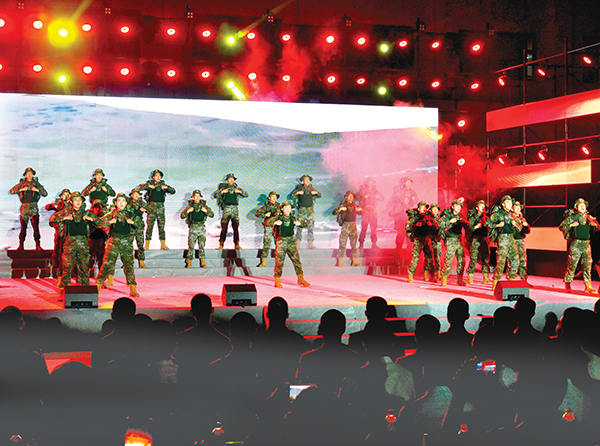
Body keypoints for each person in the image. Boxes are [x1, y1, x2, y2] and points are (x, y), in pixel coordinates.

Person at [96, 193, 140, 297]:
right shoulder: (111, 214)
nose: (121, 203)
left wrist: (132, 222)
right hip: (113, 241)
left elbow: (140, 224)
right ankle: (97, 287)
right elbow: (98, 223)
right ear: (115, 203)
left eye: (123, 201)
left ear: (126, 203)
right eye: (119, 201)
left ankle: (133, 289)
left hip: (126, 241)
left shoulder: (130, 214)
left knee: (129, 266)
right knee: (107, 264)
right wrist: (109, 222)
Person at [54, 192, 101, 288]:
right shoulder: (66, 212)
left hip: (83, 241)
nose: (78, 202)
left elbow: (100, 222)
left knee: (84, 265)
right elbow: (52, 220)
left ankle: (84, 286)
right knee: (67, 265)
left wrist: (90, 219)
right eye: (75, 200)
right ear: (71, 202)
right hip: (70, 241)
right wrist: (64, 218)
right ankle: (64, 286)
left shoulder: (86, 213)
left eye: (79, 200)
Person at [267, 200, 310, 288]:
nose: (288, 209)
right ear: (282, 209)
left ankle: (300, 279)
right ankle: (277, 280)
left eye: (289, 208)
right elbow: (266, 222)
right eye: (286, 207)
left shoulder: (293, 218)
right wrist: (274, 223)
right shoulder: (278, 218)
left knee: (296, 260)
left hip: (291, 241)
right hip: (281, 241)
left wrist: (300, 223)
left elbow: (305, 224)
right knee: (279, 262)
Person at [560, 198, 599, 293]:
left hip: (586, 243)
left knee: (587, 264)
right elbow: (561, 226)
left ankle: (588, 285)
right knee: (572, 263)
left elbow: (598, 227)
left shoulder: (589, 218)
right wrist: (571, 225)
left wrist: (594, 225)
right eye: (580, 205)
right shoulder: (573, 217)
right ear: (576, 208)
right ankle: (568, 282)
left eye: (584, 205)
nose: (582, 207)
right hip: (576, 243)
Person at [486, 195, 520, 290]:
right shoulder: (498, 214)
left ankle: (511, 280)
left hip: (511, 238)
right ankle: (496, 281)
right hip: (502, 238)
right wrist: (497, 225)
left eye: (511, 203)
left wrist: (515, 225)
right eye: (507, 203)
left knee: (515, 260)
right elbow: (487, 223)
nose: (510, 204)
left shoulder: (513, 215)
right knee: (501, 261)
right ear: (503, 204)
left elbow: (520, 227)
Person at [9, 167, 48, 250]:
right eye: (27, 173)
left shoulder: (36, 184)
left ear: (33, 174)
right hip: (24, 207)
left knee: (36, 228)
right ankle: (21, 245)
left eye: (31, 173)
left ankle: (38, 245)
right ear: (25, 175)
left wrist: (37, 190)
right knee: (23, 228)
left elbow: (45, 193)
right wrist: (21, 189)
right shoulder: (22, 184)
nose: (29, 175)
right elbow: (11, 191)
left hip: (34, 207)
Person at [138, 169, 176, 250]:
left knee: (161, 227)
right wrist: (148, 186)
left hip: (160, 208)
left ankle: (163, 245)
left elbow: (173, 191)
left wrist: (167, 187)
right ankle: (147, 245)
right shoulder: (150, 185)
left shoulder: (163, 185)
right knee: (149, 227)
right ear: (153, 177)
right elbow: (140, 187)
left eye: (159, 176)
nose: (158, 177)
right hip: (151, 208)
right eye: (156, 176)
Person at [213, 173, 248, 250]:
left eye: (232, 179)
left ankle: (237, 244)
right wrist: (222, 192)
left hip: (234, 208)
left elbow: (246, 195)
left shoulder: (237, 188)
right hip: (226, 208)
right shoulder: (223, 188)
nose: (231, 180)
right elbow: (215, 195)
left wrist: (239, 191)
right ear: (227, 180)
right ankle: (221, 245)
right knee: (224, 227)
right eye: (230, 179)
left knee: (235, 227)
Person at [181, 189, 214, 268]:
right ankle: (189, 262)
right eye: (195, 196)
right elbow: (182, 216)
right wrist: (188, 211)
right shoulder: (190, 206)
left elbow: (212, 215)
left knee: (201, 246)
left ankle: (203, 262)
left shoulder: (204, 206)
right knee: (191, 246)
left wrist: (206, 211)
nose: (197, 198)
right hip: (193, 227)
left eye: (198, 196)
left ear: (200, 197)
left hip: (201, 227)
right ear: (193, 197)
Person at [406, 201, 438, 282]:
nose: (424, 209)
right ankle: (410, 276)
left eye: (425, 207)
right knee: (415, 258)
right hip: (418, 240)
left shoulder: (428, 217)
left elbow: (436, 226)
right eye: (422, 207)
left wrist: (432, 225)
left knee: (430, 258)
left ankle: (432, 276)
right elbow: (407, 226)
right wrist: (415, 226)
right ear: (418, 209)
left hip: (427, 239)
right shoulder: (416, 218)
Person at [440, 198, 468, 286]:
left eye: (460, 206)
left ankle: (460, 280)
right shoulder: (447, 215)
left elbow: (467, 225)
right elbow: (440, 224)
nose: (459, 208)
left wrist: (464, 222)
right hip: (450, 239)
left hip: (459, 240)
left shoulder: (461, 216)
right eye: (457, 206)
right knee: (448, 260)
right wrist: (449, 221)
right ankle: (444, 279)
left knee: (461, 260)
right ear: (452, 207)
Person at [46, 188, 71, 280]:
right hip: (60, 229)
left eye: (67, 194)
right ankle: (55, 264)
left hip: (69, 229)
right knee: (57, 248)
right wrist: (54, 206)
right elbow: (47, 207)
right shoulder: (59, 203)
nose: (66, 196)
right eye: (64, 194)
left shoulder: (72, 204)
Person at [332, 191, 363, 267]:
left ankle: (354, 261)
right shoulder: (343, 204)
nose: (351, 197)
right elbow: (334, 212)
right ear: (346, 197)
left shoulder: (354, 205)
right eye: (349, 196)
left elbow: (360, 213)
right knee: (342, 244)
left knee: (354, 245)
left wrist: (361, 210)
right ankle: (340, 260)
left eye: (352, 196)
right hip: (345, 225)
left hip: (353, 225)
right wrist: (340, 209)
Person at [291, 174, 321, 249]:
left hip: (310, 210)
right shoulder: (299, 188)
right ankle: (297, 244)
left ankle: (310, 244)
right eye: (305, 180)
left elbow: (320, 195)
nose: (307, 181)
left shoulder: (311, 188)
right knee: (300, 227)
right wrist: (297, 193)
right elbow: (291, 196)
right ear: (303, 181)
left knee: (310, 227)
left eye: (308, 180)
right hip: (302, 210)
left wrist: (316, 193)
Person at [388, 177, 418, 251]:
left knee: (409, 234)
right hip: (401, 215)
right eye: (407, 182)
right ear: (404, 183)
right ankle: (397, 253)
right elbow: (393, 200)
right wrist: (400, 203)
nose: (408, 183)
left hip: (408, 215)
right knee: (400, 235)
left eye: (410, 182)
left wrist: (413, 200)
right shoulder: (399, 192)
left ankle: (409, 252)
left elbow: (416, 200)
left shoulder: (412, 192)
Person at [466, 200, 491, 284]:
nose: (483, 207)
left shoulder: (486, 218)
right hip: (476, 239)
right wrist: (475, 227)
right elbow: (468, 229)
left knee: (486, 258)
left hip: (484, 239)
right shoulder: (473, 218)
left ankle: (486, 278)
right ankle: (470, 278)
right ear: (477, 208)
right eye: (481, 206)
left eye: (483, 206)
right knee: (474, 258)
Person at [255, 191, 281, 267]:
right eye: (273, 196)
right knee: (266, 244)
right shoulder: (266, 207)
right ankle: (263, 262)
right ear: (269, 198)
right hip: (269, 226)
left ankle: (280, 262)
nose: (274, 198)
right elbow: (257, 214)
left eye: (275, 197)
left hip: (277, 227)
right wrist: (265, 215)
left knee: (279, 244)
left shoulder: (279, 206)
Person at [356, 178, 384, 249]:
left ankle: (374, 244)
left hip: (373, 210)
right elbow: (356, 197)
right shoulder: (363, 190)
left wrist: (378, 197)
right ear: (367, 183)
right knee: (364, 228)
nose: (371, 183)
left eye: (372, 182)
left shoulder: (375, 191)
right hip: (365, 210)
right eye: (369, 182)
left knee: (373, 228)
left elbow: (382, 198)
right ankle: (361, 244)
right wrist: (363, 197)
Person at [512, 201, 531, 281]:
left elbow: (528, 231)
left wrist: (526, 226)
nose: (518, 209)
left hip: (521, 241)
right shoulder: (510, 218)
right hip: (513, 241)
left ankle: (524, 279)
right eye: (516, 208)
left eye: (519, 208)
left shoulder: (522, 219)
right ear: (513, 209)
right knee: (513, 261)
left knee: (523, 260)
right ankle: (511, 279)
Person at [129, 188, 148, 268]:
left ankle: (141, 261)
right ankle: (128, 262)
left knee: (140, 244)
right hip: (130, 225)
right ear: (132, 195)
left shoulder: (142, 203)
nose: (136, 195)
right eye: (134, 194)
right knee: (128, 244)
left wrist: (145, 209)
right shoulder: (128, 202)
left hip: (139, 225)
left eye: (137, 194)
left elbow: (151, 210)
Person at [427, 203, 443, 282]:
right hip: (430, 239)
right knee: (430, 258)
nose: (435, 211)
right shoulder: (428, 218)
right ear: (431, 210)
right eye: (433, 209)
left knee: (437, 257)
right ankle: (432, 275)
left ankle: (438, 274)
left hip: (438, 240)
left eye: (436, 209)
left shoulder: (440, 217)